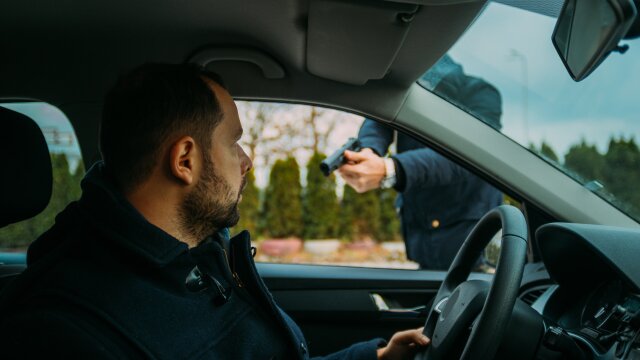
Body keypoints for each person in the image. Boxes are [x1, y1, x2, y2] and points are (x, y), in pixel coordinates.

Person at [0, 64, 430, 359]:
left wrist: (373, 356)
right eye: (233, 142)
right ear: (185, 160)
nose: (246, 161)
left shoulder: (199, 259)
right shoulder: (68, 334)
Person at [339, 56, 503, 271]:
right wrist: (370, 149)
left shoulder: (480, 93)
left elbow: (469, 156)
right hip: (423, 240)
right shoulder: (408, 90)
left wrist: (390, 169)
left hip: (471, 243)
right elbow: (378, 121)